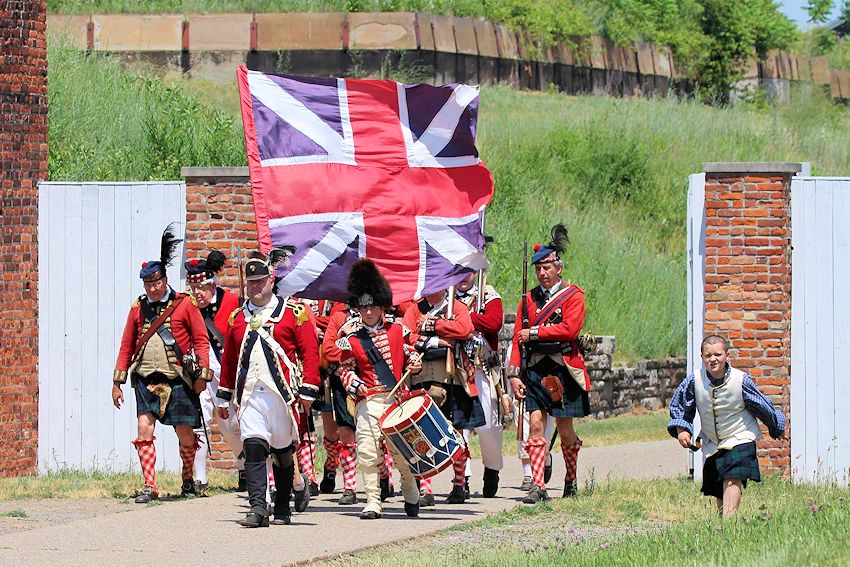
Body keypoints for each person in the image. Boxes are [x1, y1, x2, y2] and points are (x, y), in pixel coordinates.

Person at [216, 249, 320, 527]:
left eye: (260, 281)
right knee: (253, 447)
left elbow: (310, 352)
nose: (255, 287)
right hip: (249, 395)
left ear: (271, 280)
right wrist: (224, 396)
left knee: (283, 451)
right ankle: (258, 508)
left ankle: (283, 506)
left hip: (283, 396)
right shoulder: (237, 317)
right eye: (251, 283)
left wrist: (309, 390)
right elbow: (229, 358)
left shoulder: (294, 313)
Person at [112, 224, 212, 503]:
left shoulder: (185, 304)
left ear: (165, 280)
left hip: (177, 377)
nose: (153, 289)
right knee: (144, 429)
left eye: (156, 283)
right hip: (145, 378)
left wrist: (202, 375)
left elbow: (201, 340)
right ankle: (149, 485)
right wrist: (117, 382)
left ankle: (188, 479)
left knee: (185, 433)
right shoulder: (137, 307)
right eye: (148, 284)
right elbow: (126, 345)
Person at [508, 223, 591, 504]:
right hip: (535, 369)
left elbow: (570, 329)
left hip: (562, 368)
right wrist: (514, 373)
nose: (543, 273)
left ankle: (571, 478)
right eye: (539, 268)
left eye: (548, 267)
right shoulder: (528, 299)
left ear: (559, 267)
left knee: (565, 429)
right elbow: (518, 337)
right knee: (534, 425)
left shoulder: (574, 296)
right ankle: (538, 485)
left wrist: (537, 332)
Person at [336, 258, 422, 519]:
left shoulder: (397, 330)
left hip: (396, 399)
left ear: (381, 305)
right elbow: (345, 370)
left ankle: (409, 485)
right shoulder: (351, 338)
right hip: (368, 401)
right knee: (367, 450)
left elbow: (410, 356)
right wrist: (356, 384)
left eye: (372, 306)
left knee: (400, 452)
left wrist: (415, 363)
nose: (369, 312)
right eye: (364, 308)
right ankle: (373, 500)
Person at [668, 335, 786, 518]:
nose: (713, 359)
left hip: (741, 435)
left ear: (727, 355)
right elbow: (681, 405)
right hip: (712, 440)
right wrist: (682, 429)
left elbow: (762, 405)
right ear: (702, 357)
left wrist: (776, 427)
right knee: (718, 482)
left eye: (717, 354)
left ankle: (729, 522)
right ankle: (723, 525)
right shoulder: (694, 380)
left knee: (732, 476)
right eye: (708, 355)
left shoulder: (741, 380)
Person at [403, 286, 479, 506]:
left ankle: (459, 484)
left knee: (456, 434)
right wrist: (435, 341)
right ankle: (426, 489)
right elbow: (407, 335)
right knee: (423, 436)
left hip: (453, 378)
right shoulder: (415, 309)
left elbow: (464, 329)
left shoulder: (456, 306)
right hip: (421, 377)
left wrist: (433, 325)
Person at [185, 251, 242, 495]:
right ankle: (199, 478)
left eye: (202, 287)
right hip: (201, 373)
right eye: (194, 288)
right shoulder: (188, 307)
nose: (198, 293)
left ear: (212, 284)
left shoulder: (232, 302)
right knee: (199, 423)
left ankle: (244, 467)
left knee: (230, 424)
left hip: (227, 373)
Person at [455, 272, 506, 498]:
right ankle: (462, 478)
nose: (463, 276)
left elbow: (493, 323)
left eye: (468, 271)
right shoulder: (446, 296)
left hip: (482, 367)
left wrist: (462, 318)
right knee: (459, 426)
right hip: (455, 367)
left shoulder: (487, 294)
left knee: (487, 425)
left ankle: (492, 467)